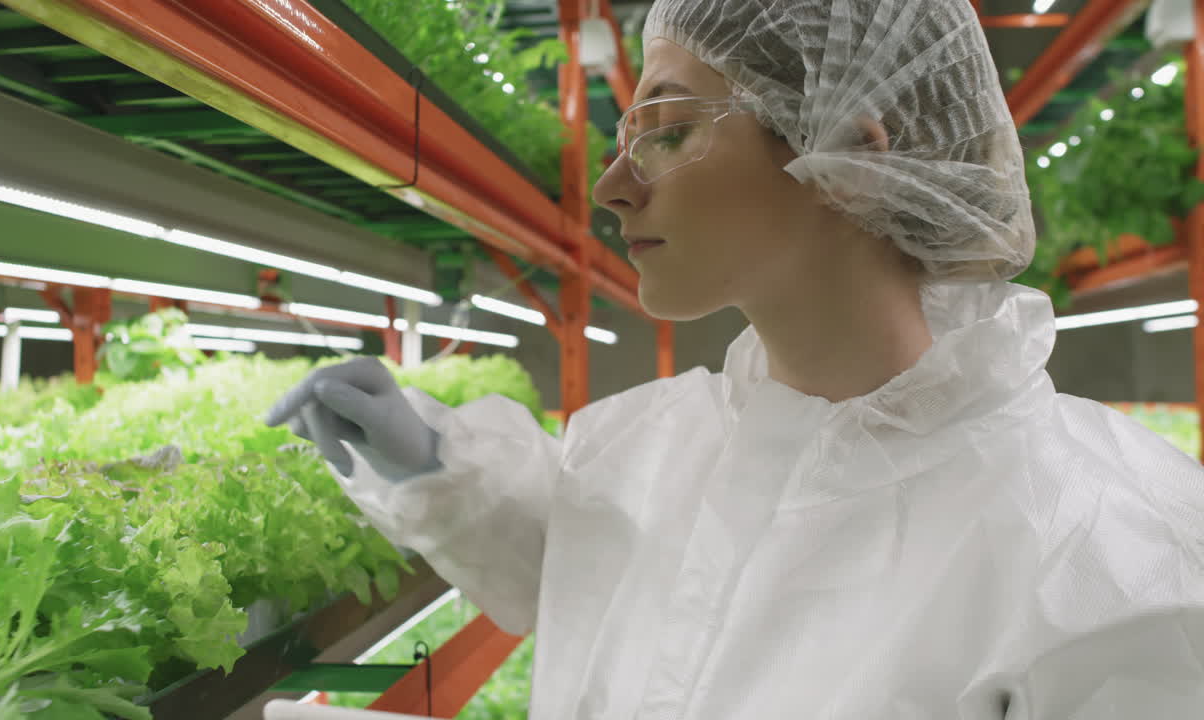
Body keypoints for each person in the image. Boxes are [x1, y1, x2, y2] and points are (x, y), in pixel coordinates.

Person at [266, 0, 1204, 716]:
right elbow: (600, 565)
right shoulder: (650, 443)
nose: (610, 187)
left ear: (845, 153)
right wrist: (437, 467)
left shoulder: (1113, 560)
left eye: (666, 131)